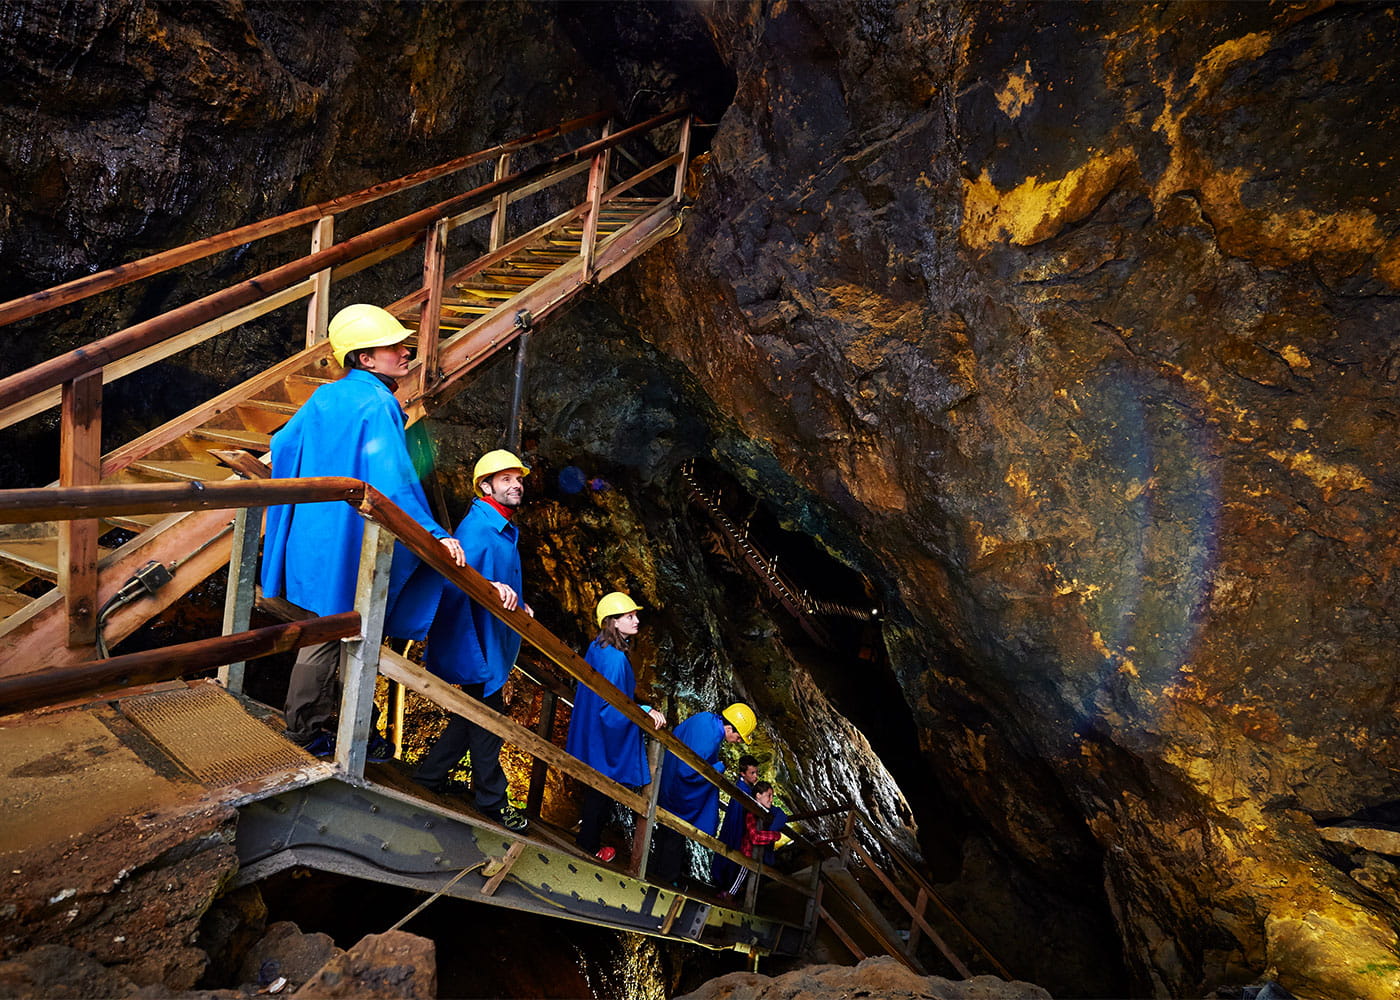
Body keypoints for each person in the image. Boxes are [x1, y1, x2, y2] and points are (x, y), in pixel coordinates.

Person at [261, 303, 465, 758]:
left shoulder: (325, 397)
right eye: (392, 346)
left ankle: (341, 725)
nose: (404, 351)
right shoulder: (378, 403)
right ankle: (307, 730)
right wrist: (433, 533)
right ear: (365, 359)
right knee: (336, 631)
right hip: (349, 541)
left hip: (313, 535)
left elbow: (282, 444)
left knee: (327, 627)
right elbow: (394, 480)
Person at [413, 449, 533, 833]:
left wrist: (518, 600)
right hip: (476, 643)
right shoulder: (477, 529)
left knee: (473, 716)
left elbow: (499, 578)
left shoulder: (499, 524)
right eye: (506, 479)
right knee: (489, 719)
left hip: (488, 638)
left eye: (519, 479)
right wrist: (489, 587)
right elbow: (456, 581)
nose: (516, 485)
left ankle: (429, 776)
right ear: (486, 486)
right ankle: (493, 801)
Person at [564, 592, 667, 861]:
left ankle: (586, 835)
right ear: (614, 622)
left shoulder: (596, 646)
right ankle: (589, 845)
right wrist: (644, 711)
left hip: (590, 727)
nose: (636, 620)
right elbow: (613, 704)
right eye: (629, 616)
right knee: (603, 788)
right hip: (603, 732)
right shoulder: (617, 659)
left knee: (595, 786)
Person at [651, 702, 757, 885]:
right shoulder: (711, 737)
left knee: (664, 831)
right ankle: (667, 880)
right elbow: (689, 771)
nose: (739, 742)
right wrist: (718, 768)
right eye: (739, 737)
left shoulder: (705, 718)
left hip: (666, 780)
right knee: (675, 834)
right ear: (730, 727)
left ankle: (652, 869)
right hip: (678, 792)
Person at [716, 780, 786, 902]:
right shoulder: (751, 813)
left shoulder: (763, 813)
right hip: (747, 853)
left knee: (741, 877)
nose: (771, 799)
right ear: (758, 795)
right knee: (740, 876)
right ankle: (728, 897)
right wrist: (775, 835)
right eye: (769, 795)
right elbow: (755, 837)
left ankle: (729, 895)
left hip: (750, 853)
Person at [710, 754, 759, 887]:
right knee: (732, 851)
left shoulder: (745, 788)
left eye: (756, 772)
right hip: (735, 826)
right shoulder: (743, 790)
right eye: (752, 773)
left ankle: (721, 881)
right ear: (743, 773)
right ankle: (724, 884)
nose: (755, 776)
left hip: (735, 824)